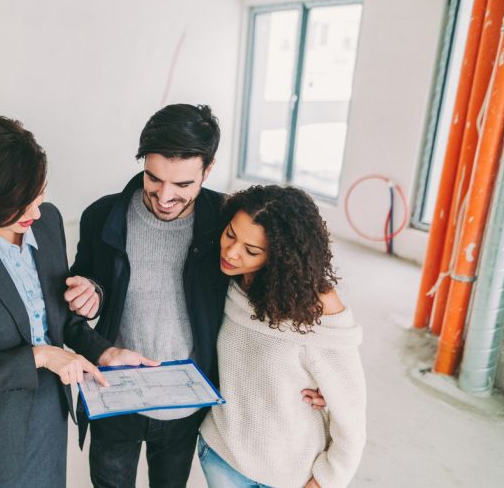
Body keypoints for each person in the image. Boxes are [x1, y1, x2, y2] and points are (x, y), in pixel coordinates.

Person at [64, 104, 326, 488]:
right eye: (153, 178)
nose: (165, 196)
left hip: (187, 406)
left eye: (183, 185)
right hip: (114, 397)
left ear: (208, 169)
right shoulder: (101, 216)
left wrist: (314, 372)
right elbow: (72, 307)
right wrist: (92, 302)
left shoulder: (224, 222)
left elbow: (285, 290)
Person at [0, 117, 154, 488]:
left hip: (49, 412)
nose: (36, 212)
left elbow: (58, 323)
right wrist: (39, 356)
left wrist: (105, 353)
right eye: (20, 204)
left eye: (39, 194)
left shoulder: (46, 222)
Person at [198, 185, 367, 488]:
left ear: (281, 256)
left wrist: (328, 479)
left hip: (290, 475)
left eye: (251, 250)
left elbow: (351, 414)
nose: (232, 252)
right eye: (230, 234)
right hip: (221, 456)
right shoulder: (223, 283)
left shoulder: (317, 308)